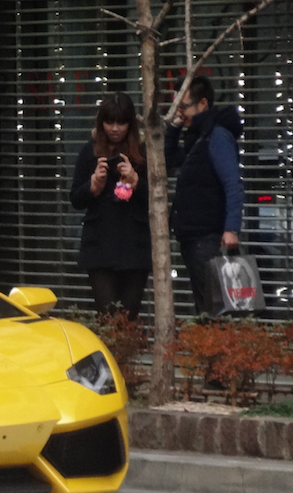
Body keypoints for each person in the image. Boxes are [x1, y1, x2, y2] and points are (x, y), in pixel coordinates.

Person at [165, 74, 244, 316]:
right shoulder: (197, 137)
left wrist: (231, 228)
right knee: (205, 302)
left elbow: (232, 182)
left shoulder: (216, 137)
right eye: (177, 107)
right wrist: (175, 127)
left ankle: (215, 351)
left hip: (206, 236)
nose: (180, 113)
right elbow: (167, 160)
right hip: (192, 235)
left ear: (203, 105)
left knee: (213, 304)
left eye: (184, 106)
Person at [69, 92, 151, 320]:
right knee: (107, 316)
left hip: (134, 246)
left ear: (130, 124)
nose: (115, 128)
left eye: (121, 122)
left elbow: (158, 200)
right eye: (109, 122)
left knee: (129, 316)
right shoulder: (90, 150)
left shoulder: (143, 151)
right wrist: (93, 186)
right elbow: (75, 198)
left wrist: (136, 181)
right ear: (101, 122)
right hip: (99, 246)